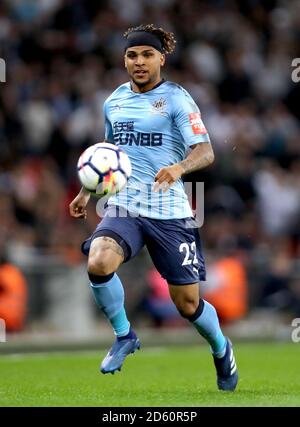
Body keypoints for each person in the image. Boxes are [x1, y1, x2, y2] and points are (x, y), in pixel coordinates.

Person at [69, 24, 238, 391]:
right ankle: (124, 335)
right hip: (125, 205)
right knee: (98, 260)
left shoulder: (177, 98)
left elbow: (206, 151)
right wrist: (87, 192)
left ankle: (221, 349)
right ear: (124, 60)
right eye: (132, 55)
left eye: (147, 55)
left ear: (162, 58)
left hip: (170, 210)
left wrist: (179, 167)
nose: (139, 62)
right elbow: (109, 155)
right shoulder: (114, 101)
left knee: (188, 304)